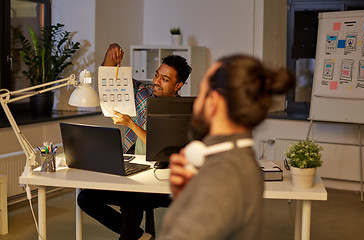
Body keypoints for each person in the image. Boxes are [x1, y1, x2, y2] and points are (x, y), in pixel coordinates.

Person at [158, 54, 294, 240]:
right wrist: (186, 196)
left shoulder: (224, 174)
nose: (196, 104)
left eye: (201, 93)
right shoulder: (236, 159)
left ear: (213, 102)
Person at [77, 43, 192, 240]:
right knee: (86, 197)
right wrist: (111, 53)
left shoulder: (180, 110)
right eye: (157, 75)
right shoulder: (143, 92)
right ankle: (141, 237)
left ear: (178, 85)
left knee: (132, 200)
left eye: (165, 79)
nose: (157, 81)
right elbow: (110, 77)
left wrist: (130, 124)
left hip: (161, 181)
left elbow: (160, 147)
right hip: (133, 170)